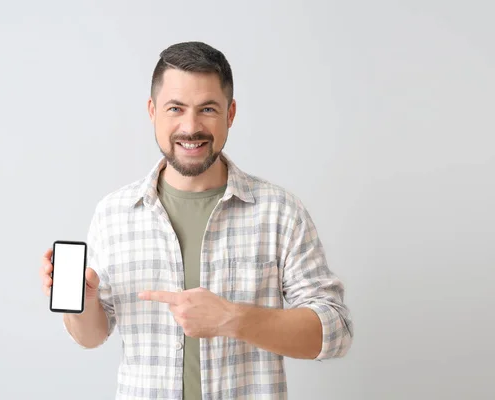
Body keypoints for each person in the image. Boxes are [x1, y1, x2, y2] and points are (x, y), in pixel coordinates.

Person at [40, 41, 353, 400]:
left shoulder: (281, 212)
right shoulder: (113, 214)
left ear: (230, 114)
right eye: (175, 108)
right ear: (152, 111)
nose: (191, 127)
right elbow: (91, 336)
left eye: (207, 109)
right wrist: (84, 302)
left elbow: (335, 332)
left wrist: (232, 318)